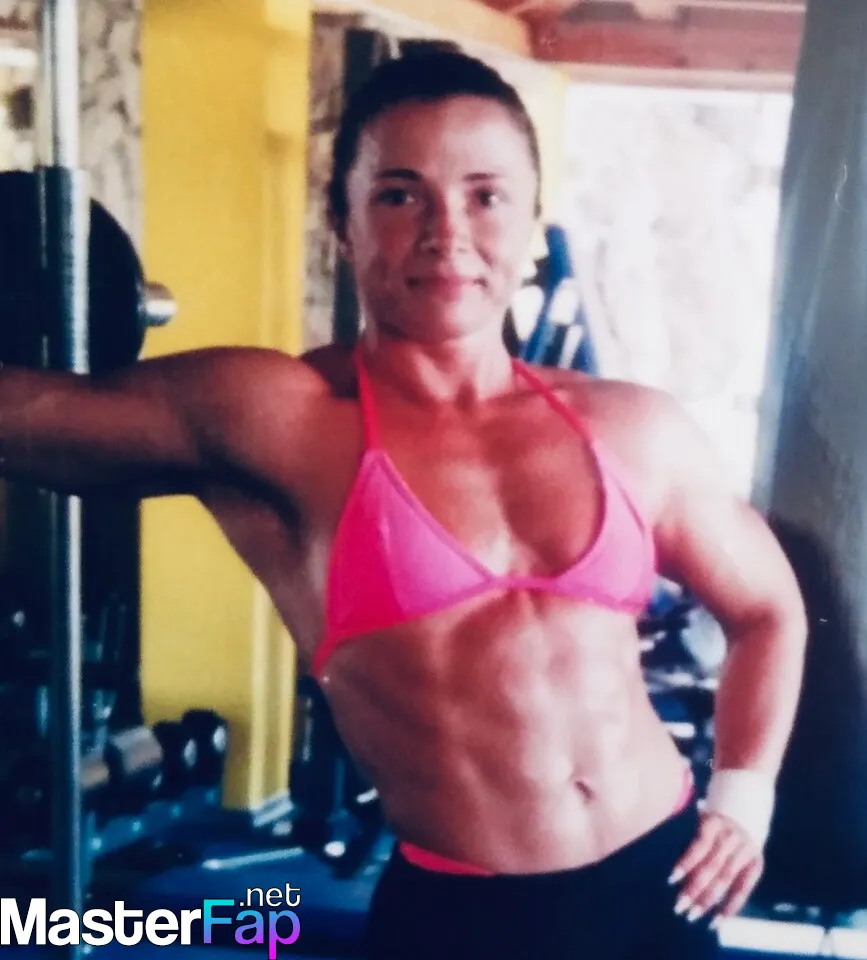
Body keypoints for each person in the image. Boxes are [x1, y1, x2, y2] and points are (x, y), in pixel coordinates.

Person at [0, 51, 806, 959]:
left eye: (485, 196)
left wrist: (744, 797)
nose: (445, 232)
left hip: (664, 879)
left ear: (531, 222)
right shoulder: (279, 422)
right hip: (466, 920)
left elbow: (766, 611)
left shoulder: (631, 428)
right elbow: (31, 417)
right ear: (341, 223)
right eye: (398, 194)